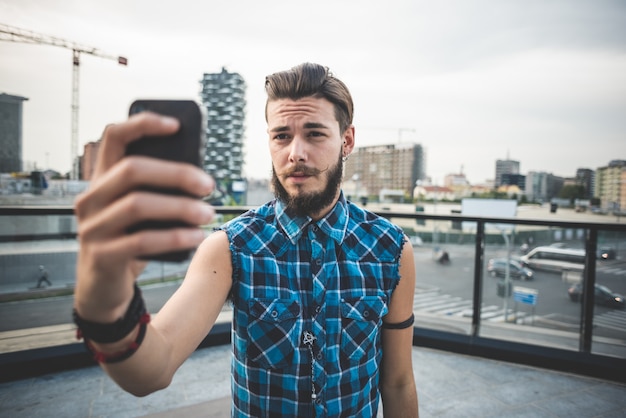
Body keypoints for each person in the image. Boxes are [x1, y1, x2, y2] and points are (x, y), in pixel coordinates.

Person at [73, 63, 419, 417]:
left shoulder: (390, 250)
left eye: (314, 134)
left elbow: (398, 382)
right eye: (281, 136)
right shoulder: (231, 248)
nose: (295, 153)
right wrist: (103, 306)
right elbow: (153, 369)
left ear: (346, 141)